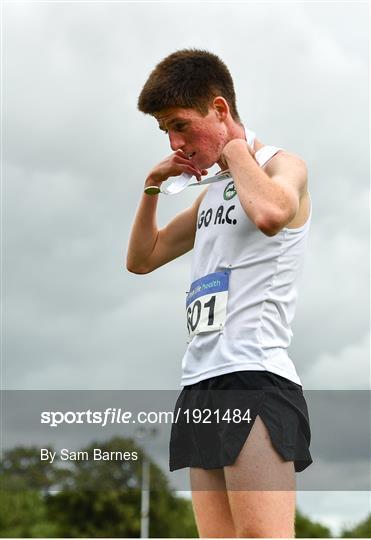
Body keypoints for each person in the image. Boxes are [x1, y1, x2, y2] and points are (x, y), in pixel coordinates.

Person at [127, 49, 313, 538]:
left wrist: (234, 152)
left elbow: (273, 215)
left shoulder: (282, 166)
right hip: (201, 383)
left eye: (182, 125)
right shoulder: (210, 194)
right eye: (165, 130)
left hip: (254, 376)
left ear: (220, 109)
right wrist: (151, 186)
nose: (176, 142)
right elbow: (142, 259)